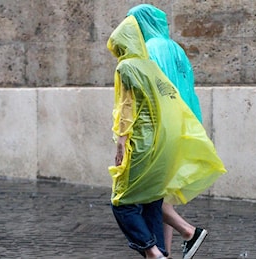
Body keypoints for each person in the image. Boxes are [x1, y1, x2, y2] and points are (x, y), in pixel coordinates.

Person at [107, 14, 226, 259]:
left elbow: (126, 106)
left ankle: (159, 249)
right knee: (154, 198)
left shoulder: (132, 63)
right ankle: (163, 251)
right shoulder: (171, 51)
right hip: (170, 133)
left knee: (123, 201)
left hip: (144, 138)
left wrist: (122, 139)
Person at [126, 4, 208, 258]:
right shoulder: (175, 48)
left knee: (137, 193)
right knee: (163, 194)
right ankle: (164, 253)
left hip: (159, 128)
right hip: (183, 125)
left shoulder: (149, 50)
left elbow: (149, 92)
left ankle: (188, 231)